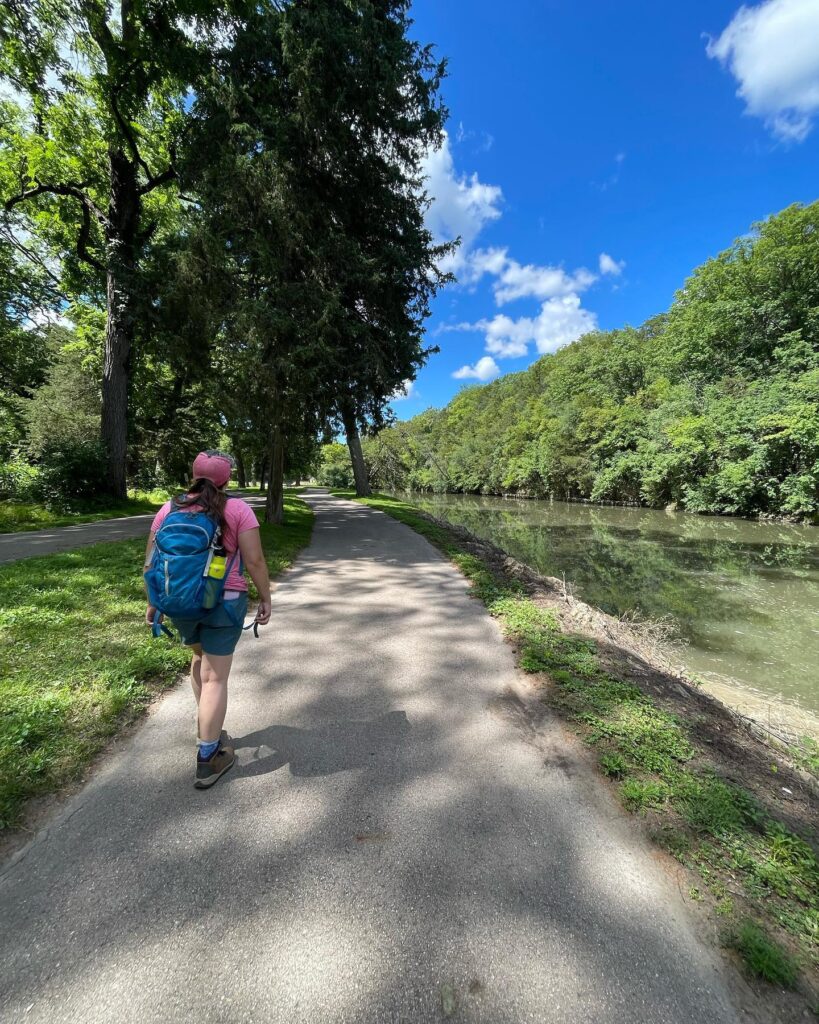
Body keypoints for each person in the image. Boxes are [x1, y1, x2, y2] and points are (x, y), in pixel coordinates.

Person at [143, 451, 272, 789]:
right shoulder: (237, 509)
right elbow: (255, 561)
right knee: (215, 677)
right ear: (226, 480)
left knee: (199, 659)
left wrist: (153, 602)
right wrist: (266, 597)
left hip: (179, 601)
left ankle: (208, 728)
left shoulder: (169, 509)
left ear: (194, 475)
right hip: (224, 601)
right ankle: (209, 756)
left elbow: (151, 562)